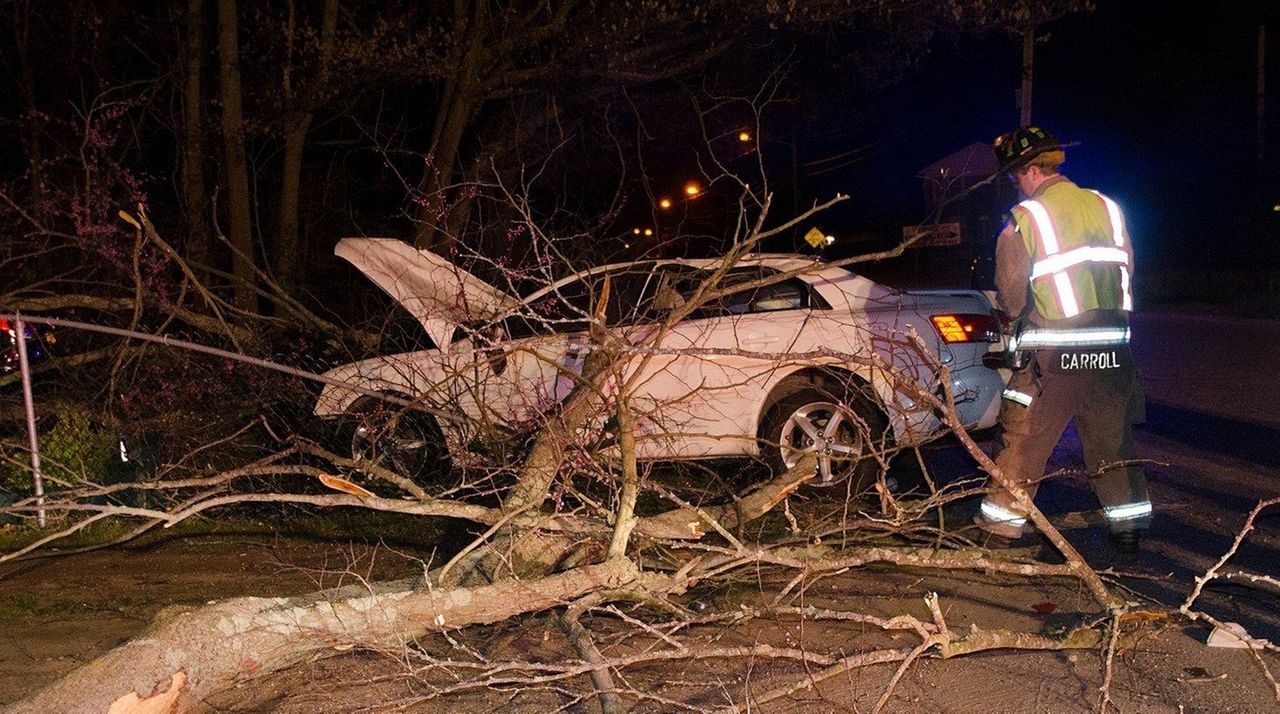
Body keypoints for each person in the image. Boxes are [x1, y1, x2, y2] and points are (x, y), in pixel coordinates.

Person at [974, 126, 1152, 552]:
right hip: (1111, 351)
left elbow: (1013, 295)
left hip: (1057, 354)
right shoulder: (1107, 208)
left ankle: (999, 531)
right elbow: (1126, 268)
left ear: (1031, 170)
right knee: (1112, 441)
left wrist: (1016, 320)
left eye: (1017, 176)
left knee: (1024, 440)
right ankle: (1128, 531)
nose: (1017, 185)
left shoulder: (1025, 220)